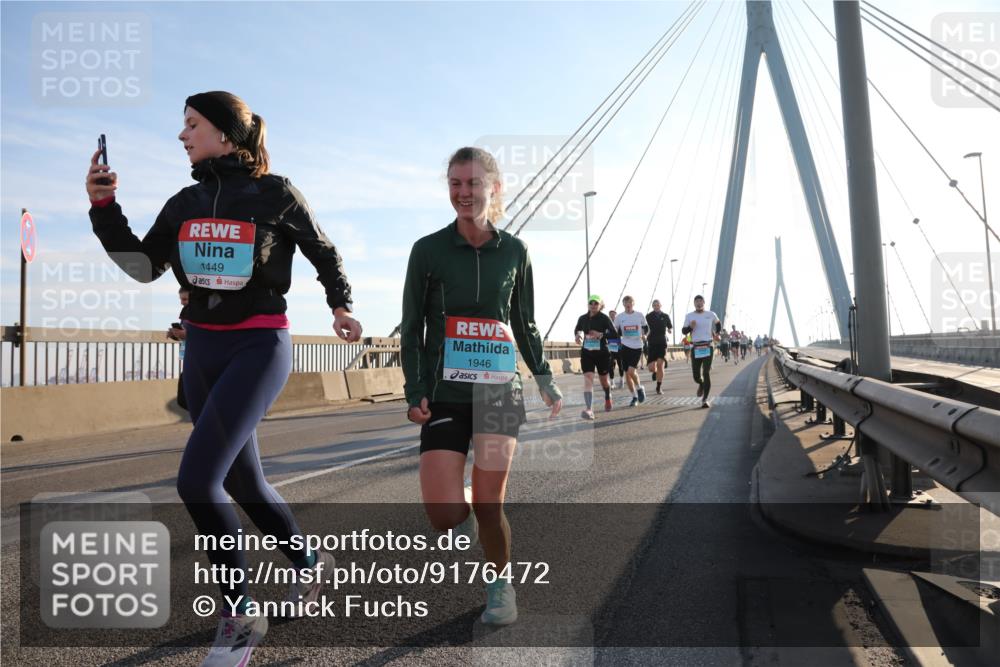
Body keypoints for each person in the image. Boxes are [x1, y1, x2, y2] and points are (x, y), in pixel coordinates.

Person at [87, 91, 363, 667]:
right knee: (242, 484)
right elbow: (144, 266)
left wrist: (339, 307)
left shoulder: (274, 192)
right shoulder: (183, 201)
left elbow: (324, 252)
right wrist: (104, 207)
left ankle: (239, 618)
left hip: (259, 344)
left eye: (192, 125)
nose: (182, 135)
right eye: (183, 125)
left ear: (227, 134)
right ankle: (312, 564)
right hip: (203, 349)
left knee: (196, 481)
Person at [401, 146, 563, 628]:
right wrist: (415, 391)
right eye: (455, 183)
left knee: (492, 503)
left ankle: (500, 585)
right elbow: (411, 328)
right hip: (445, 392)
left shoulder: (515, 251)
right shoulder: (426, 250)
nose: (463, 193)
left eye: (472, 184)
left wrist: (545, 379)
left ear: (493, 188)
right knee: (445, 514)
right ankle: (467, 497)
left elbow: (524, 320)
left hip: (498, 390)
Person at [574, 295, 616, 418]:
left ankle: (608, 396)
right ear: (588, 305)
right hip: (587, 353)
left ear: (600, 305)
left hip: (602, 354)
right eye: (591, 303)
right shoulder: (583, 318)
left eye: (596, 303)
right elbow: (577, 329)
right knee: (588, 380)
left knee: (604, 381)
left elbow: (614, 333)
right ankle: (589, 409)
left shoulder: (604, 318)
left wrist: (601, 334)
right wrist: (577, 335)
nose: (593, 305)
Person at [681, 295, 721, 408]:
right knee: (696, 376)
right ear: (694, 303)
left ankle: (705, 399)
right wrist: (690, 328)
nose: (699, 303)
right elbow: (684, 331)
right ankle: (701, 384)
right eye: (696, 301)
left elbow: (718, 323)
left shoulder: (710, 314)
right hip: (696, 347)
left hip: (708, 346)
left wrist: (717, 334)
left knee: (706, 372)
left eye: (700, 301)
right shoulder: (689, 316)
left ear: (704, 302)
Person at [615, 295, 648, 407]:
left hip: (637, 346)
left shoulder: (639, 315)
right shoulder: (619, 317)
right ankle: (634, 397)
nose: (628, 304)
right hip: (624, 346)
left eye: (630, 302)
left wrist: (645, 335)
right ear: (623, 304)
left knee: (631, 371)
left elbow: (646, 327)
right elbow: (615, 330)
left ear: (633, 303)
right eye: (625, 302)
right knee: (627, 374)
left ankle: (639, 388)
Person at [167, 286, 190, 410]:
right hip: (188, 358)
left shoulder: (200, 314)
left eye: (185, 299)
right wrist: (174, 334)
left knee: (185, 399)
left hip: (196, 359)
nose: (182, 302)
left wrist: (186, 334)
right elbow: (184, 336)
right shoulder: (185, 313)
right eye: (181, 299)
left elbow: (204, 334)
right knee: (183, 400)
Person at [645, 299, 672, 395]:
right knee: (651, 368)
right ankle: (655, 372)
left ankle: (658, 387)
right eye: (654, 305)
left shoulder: (665, 316)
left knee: (660, 364)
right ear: (652, 306)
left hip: (662, 342)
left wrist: (669, 330)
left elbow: (670, 326)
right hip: (652, 342)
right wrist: (644, 334)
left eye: (658, 305)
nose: (656, 306)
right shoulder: (648, 316)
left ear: (661, 305)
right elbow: (644, 327)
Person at [607, 309, 624, 389]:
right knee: (610, 365)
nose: (612, 316)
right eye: (611, 314)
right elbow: (605, 334)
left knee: (620, 364)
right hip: (611, 345)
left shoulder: (620, 324)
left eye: (614, 314)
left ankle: (621, 379)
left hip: (619, 345)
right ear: (609, 316)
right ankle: (612, 382)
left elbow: (623, 334)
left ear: (616, 316)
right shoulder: (607, 325)